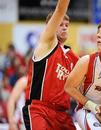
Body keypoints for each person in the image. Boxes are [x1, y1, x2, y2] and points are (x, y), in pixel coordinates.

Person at [22, 0, 78, 130]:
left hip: (62, 114)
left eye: (67, 25)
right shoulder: (47, 43)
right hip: (40, 109)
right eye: (60, 24)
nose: (64, 27)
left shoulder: (73, 57)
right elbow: (60, 10)